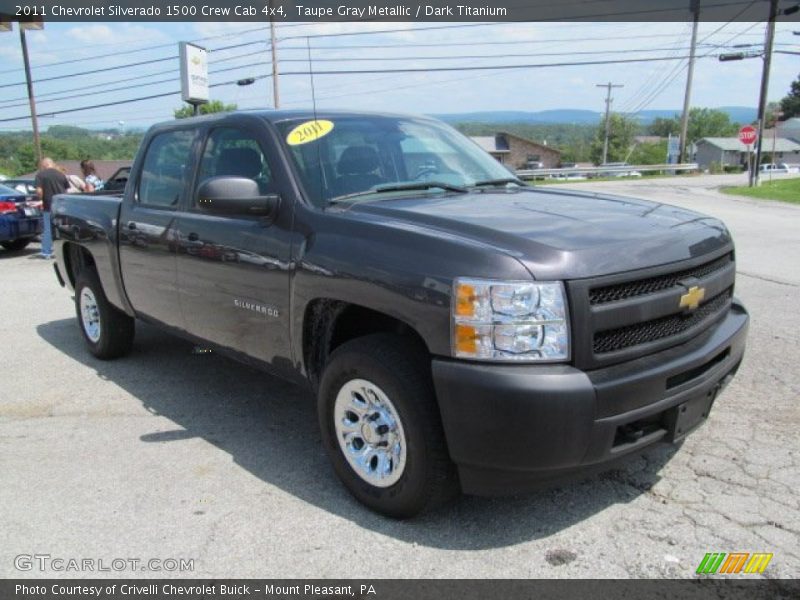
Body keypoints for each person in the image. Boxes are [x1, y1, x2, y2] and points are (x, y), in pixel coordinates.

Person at [34, 157, 68, 259]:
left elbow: (39, 191)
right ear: (52, 164)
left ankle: (46, 252)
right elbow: (66, 190)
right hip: (61, 206)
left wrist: (41, 198)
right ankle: (63, 252)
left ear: (43, 165)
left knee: (48, 229)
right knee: (62, 229)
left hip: (48, 205)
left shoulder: (40, 175)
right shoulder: (61, 175)